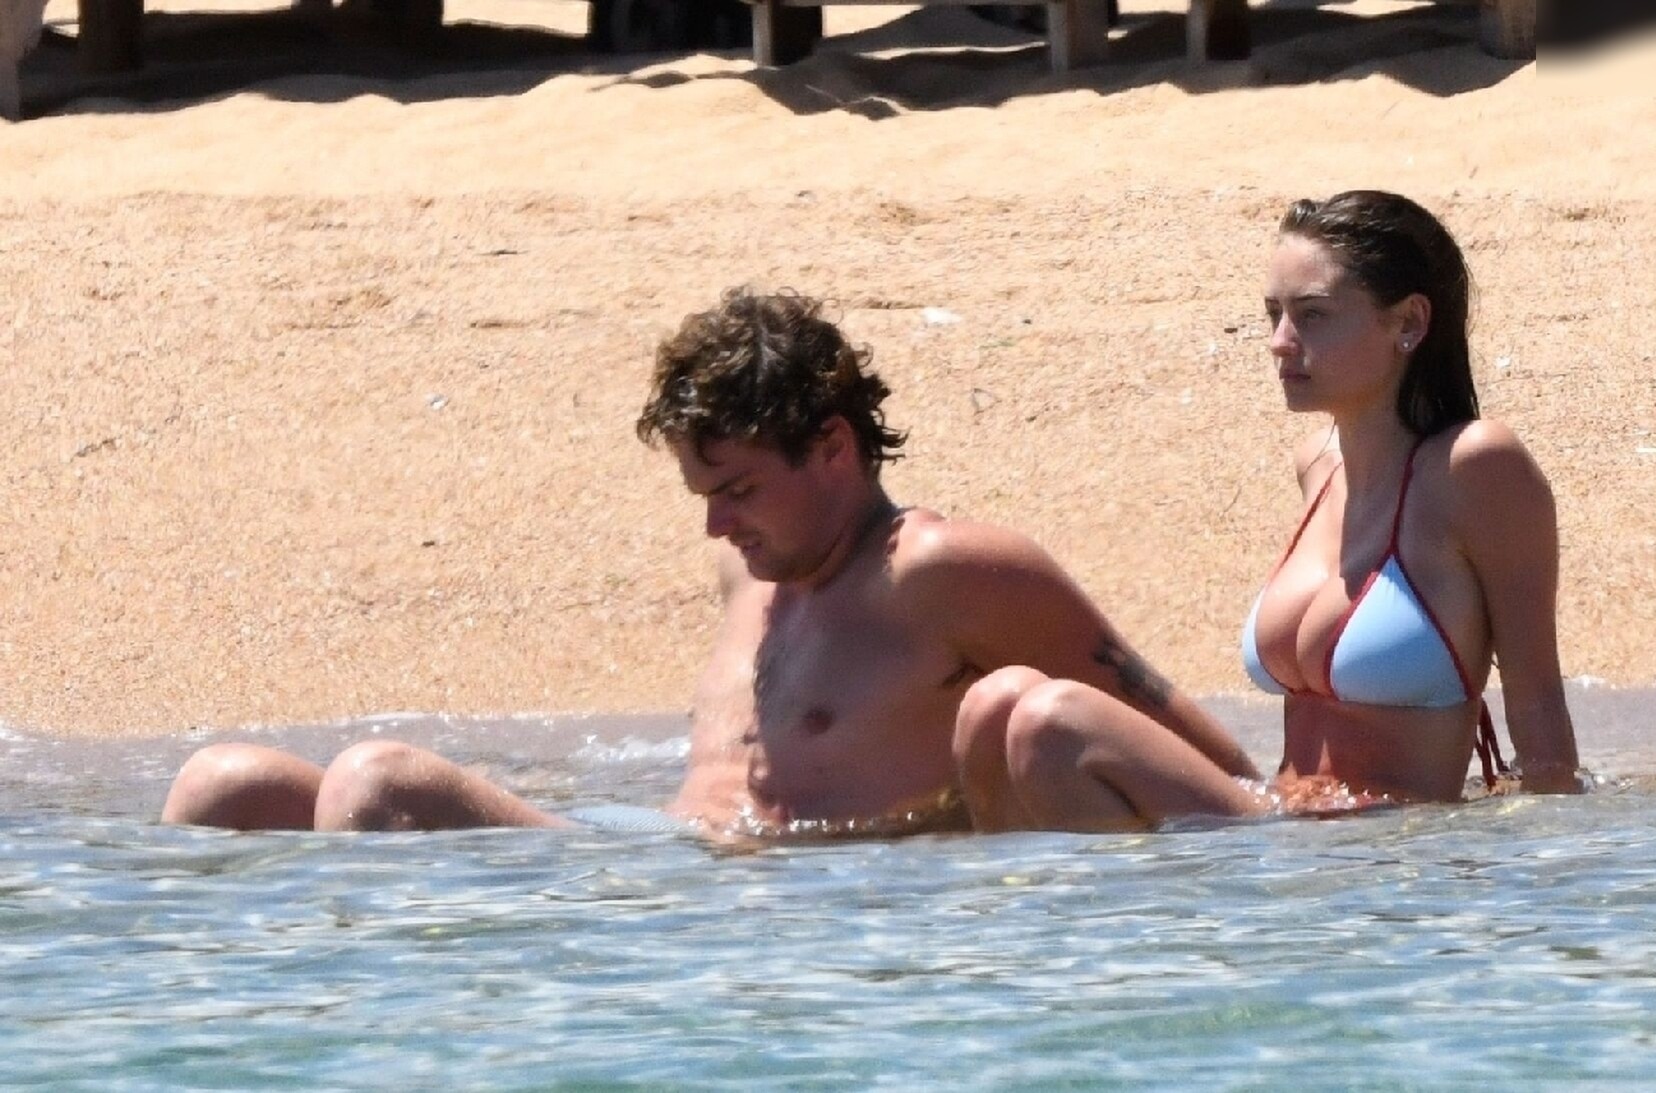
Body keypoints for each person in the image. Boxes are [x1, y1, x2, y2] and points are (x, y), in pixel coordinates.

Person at [160, 287, 1258, 836]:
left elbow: (1168, 739)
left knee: (376, 781)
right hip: (662, 883)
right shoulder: (755, 566)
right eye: (703, 494)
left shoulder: (943, 571)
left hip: (825, 909)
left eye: (736, 489)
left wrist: (1291, 816)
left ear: (832, 448)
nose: (715, 527)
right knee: (225, 786)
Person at [957, 189, 1583, 832]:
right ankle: (1037, 895)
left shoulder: (1475, 467)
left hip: (1393, 846)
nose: (1280, 343)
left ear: (1409, 324)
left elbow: (1537, 703)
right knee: (994, 703)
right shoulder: (1318, 465)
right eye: (1273, 315)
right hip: (1282, 837)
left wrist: (1552, 860)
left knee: (1052, 721)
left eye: (1312, 316)